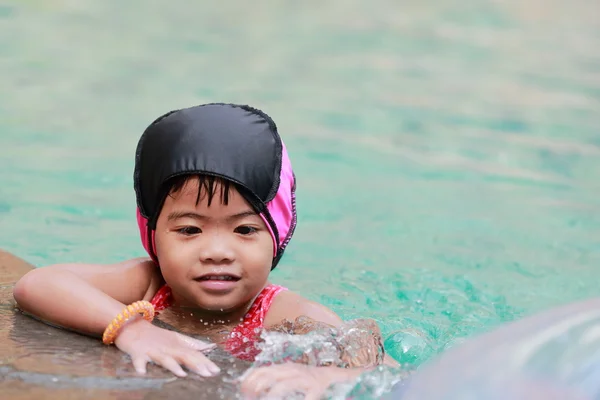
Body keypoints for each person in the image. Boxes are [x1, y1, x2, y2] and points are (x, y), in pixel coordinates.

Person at [13, 103, 398, 398]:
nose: (217, 251)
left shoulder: (285, 316)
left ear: (278, 237)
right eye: (190, 229)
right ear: (152, 233)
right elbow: (37, 285)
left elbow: (389, 372)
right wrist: (132, 329)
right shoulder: (149, 285)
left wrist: (322, 376)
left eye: (245, 229)